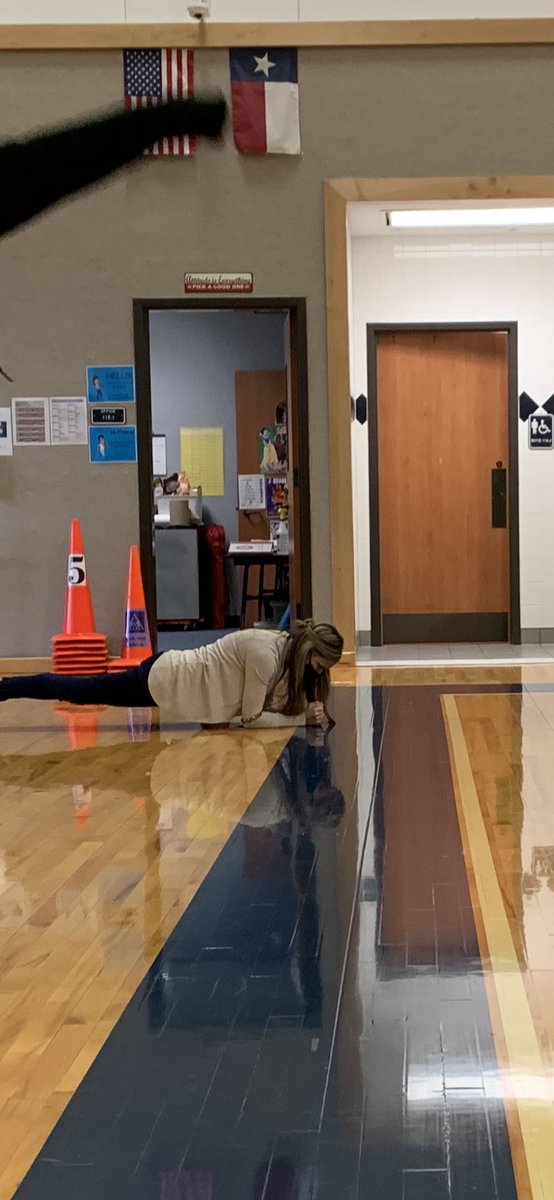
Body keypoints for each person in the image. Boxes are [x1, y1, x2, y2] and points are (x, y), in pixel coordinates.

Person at [0, 620, 343, 729]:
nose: (317, 675)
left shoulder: (280, 647)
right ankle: (5, 688)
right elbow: (251, 719)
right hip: (166, 679)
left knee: (84, 690)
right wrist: (300, 721)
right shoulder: (266, 657)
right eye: (319, 667)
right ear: (309, 653)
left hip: (171, 672)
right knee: (82, 691)